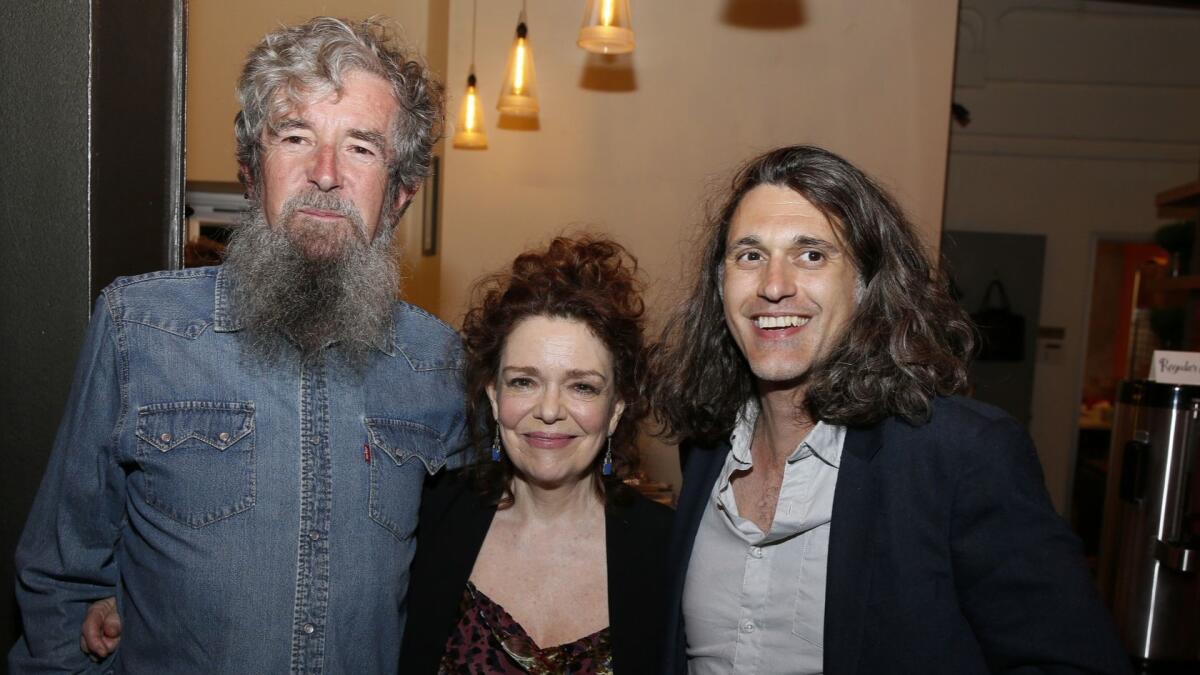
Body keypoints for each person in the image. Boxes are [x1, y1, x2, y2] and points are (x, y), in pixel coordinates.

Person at [10, 17, 465, 673]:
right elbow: (59, 581)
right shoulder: (137, 328)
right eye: (296, 137)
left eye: (362, 148)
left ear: (400, 196)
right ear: (252, 172)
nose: (326, 173)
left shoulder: (440, 367)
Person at [651, 145, 1132, 674]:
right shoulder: (707, 448)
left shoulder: (959, 454)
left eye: (812, 254)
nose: (773, 285)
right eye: (750, 255)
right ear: (720, 284)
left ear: (867, 285)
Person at [399, 235, 673, 674]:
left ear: (616, 409)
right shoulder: (428, 520)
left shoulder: (670, 551)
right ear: (493, 396)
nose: (548, 410)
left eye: (582, 386)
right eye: (524, 381)